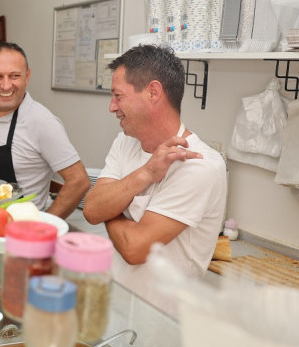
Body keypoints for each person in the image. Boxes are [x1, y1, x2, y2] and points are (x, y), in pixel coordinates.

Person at [82, 44, 227, 315]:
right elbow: (91, 210)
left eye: (118, 96)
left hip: (156, 328)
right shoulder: (125, 141)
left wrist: (111, 207)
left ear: (153, 92)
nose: (112, 107)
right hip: (112, 307)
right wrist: (146, 174)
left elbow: (133, 249)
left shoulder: (199, 166)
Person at [0, 42, 90, 217]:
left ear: (27, 77)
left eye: (14, 76)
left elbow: (79, 181)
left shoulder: (42, 122)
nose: (6, 86)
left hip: (19, 234)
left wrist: (43, 225)